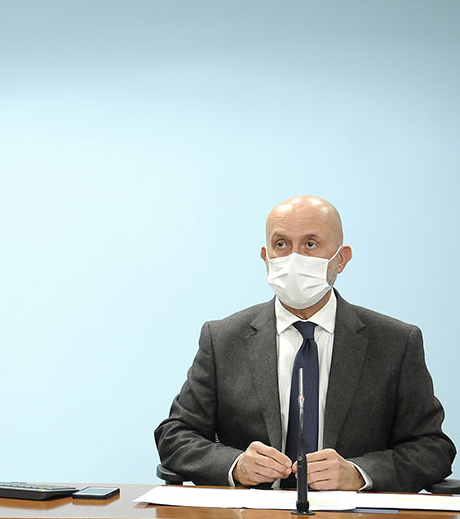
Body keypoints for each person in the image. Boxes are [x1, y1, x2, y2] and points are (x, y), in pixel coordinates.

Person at [154, 195, 454, 492]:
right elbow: (175, 435)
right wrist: (235, 465)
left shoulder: (395, 343)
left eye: (310, 244)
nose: (294, 258)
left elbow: (433, 448)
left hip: (353, 515)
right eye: (281, 244)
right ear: (266, 257)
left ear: (341, 259)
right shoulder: (223, 339)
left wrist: (359, 474)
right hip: (252, 513)